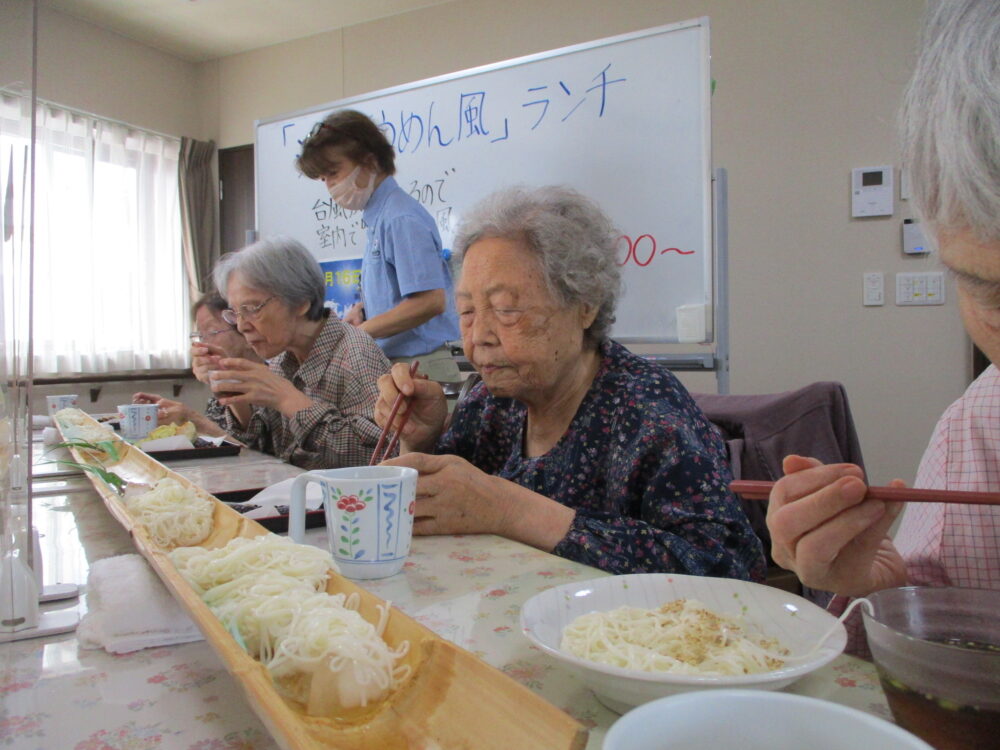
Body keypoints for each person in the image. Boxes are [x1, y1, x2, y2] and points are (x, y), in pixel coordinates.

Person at [374, 185, 765, 580]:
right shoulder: (492, 401)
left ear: (585, 305)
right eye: (467, 311)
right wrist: (422, 438)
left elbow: (726, 568)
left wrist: (513, 510)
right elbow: (450, 510)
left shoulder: (648, 410)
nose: (479, 337)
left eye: (507, 309)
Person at [765, 0, 1000, 651]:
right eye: (994, 296)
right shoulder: (981, 432)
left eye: (511, 305)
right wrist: (874, 590)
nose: (487, 331)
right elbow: (936, 652)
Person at [296, 110, 461, 383]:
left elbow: (431, 301)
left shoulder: (399, 218)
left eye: (334, 172)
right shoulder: (379, 216)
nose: (330, 186)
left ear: (369, 161)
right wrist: (364, 312)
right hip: (400, 366)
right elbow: (399, 291)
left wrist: (358, 333)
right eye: (324, 178)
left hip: (421, 366)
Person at [204, 237, 390, 469]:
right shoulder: (282, 357)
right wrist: (232, 391)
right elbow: (262, 453)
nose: (242, 326)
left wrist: (287, 399)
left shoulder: (355, 354)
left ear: (301, 300)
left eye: (251, 309)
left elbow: (381, 457)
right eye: (235, 313)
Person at [133, 292, 262, 437]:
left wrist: (191, 419)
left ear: (246, 333)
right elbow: (227, 442)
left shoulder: (275, 378)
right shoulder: (220, 391)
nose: (203, 344)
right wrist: (174, 414)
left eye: (212, 332)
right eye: (200, 335)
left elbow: (254, 449)